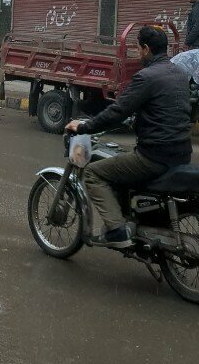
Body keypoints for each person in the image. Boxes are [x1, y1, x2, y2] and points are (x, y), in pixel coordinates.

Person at [65, 25, 192, 249]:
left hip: (153, 157)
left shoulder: (147, 76)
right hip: (182, 154)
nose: (137, 53)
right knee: (121, 164)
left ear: (145, 49)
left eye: (138, 48)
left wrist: (85, 126)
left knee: (94, 173)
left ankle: (116, 229)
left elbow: (117, 112)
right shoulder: (180, 73)